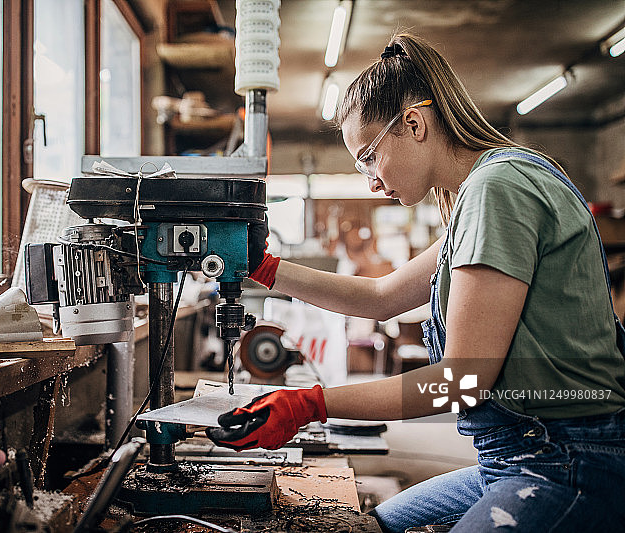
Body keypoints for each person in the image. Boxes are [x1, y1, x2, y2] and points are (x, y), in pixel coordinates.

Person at [206, 34, 625, 532]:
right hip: (512, 459)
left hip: (567, 462)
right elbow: (381, 297)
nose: (370, 180)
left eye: (368, 156)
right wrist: (262, 268)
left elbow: (462, 381)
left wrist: (311, 404)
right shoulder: (477, 196)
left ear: (413, 123)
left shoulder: (498, 189)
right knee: (379, 523)